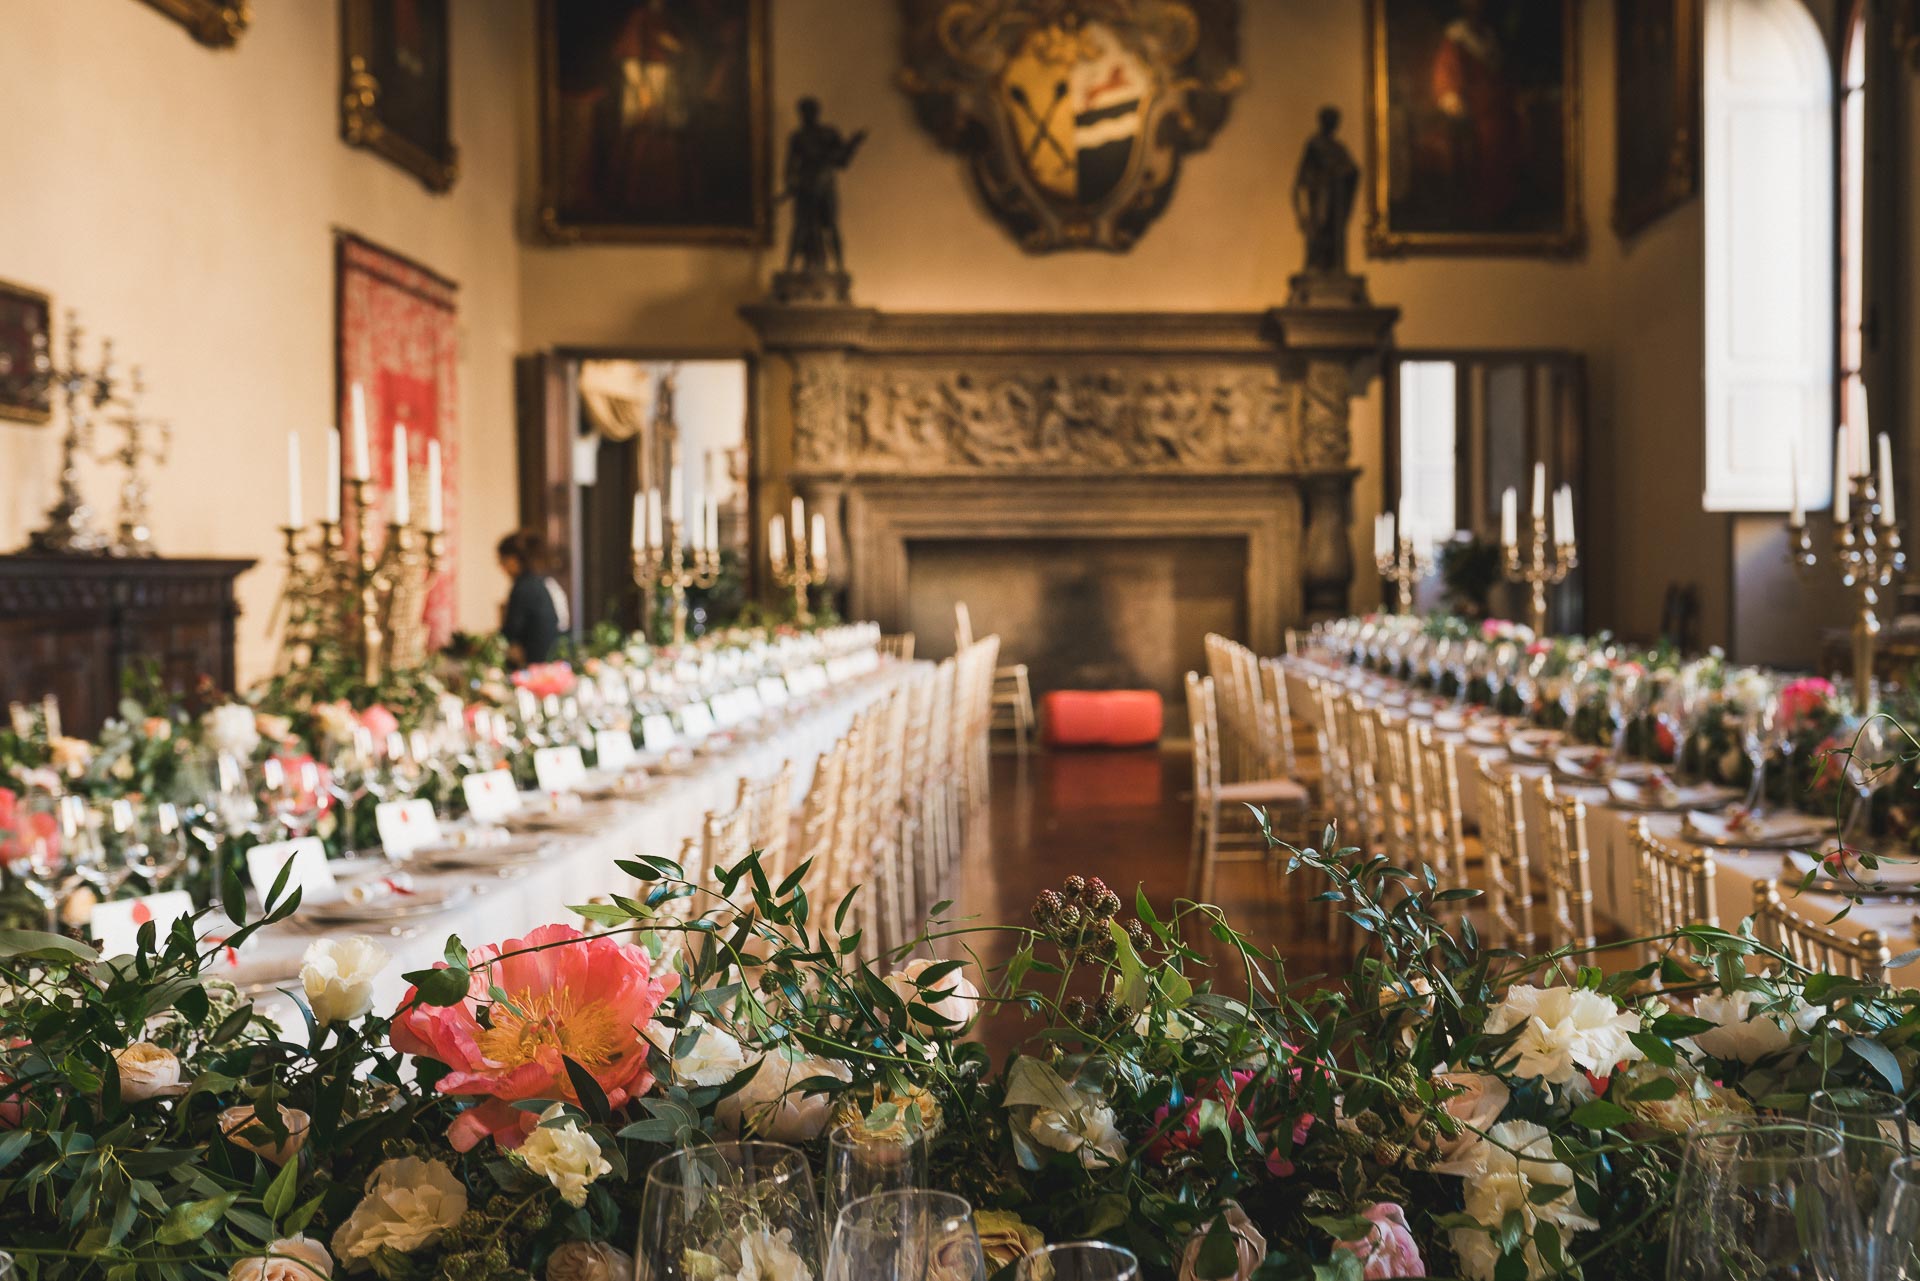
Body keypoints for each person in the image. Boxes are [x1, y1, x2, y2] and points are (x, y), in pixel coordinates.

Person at [497, 530, 562, 666]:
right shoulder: (538, 582)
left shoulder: (523, 587)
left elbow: (511, 631)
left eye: (503, 560)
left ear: (515, 559)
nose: (501, 566)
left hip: (535, 663)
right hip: (550, 659)